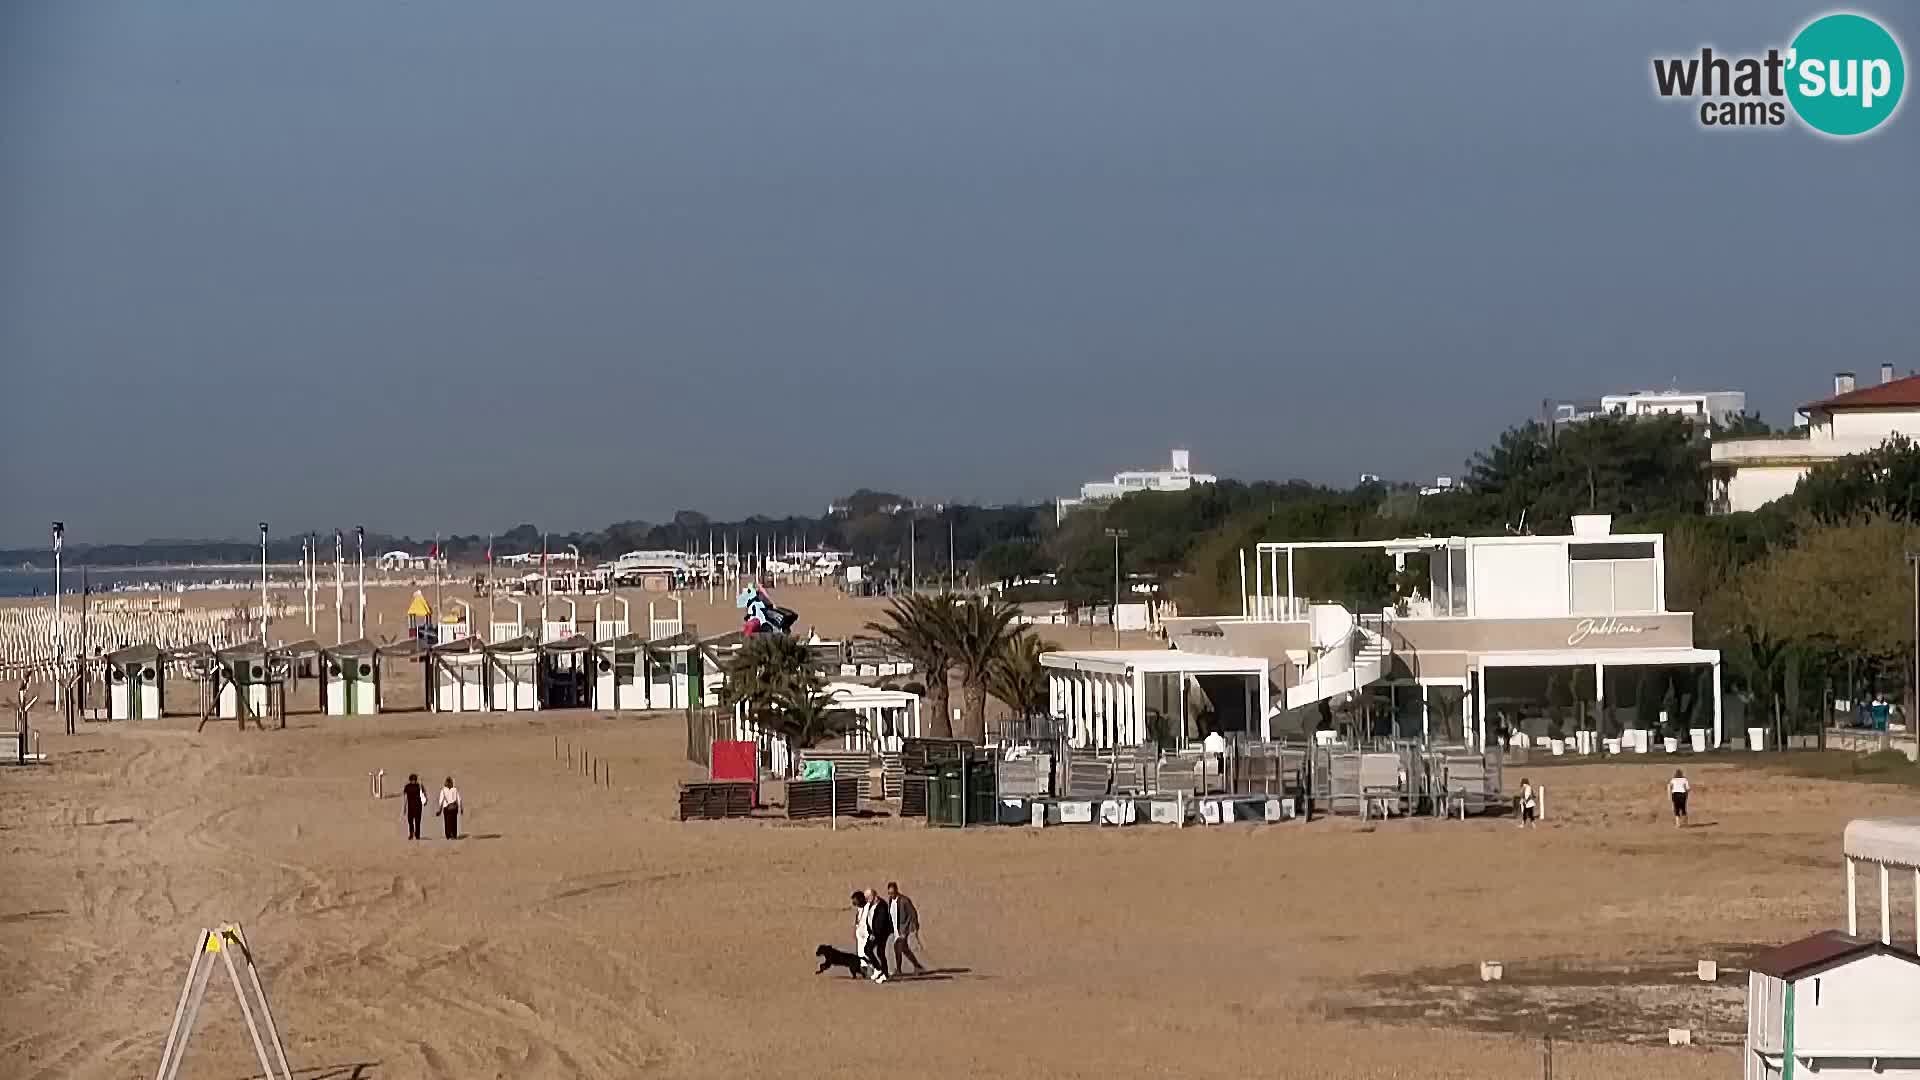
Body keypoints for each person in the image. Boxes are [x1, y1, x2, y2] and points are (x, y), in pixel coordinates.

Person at [887, 881, 928, 976]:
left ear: (897, 890)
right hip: (896, 929)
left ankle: (902, 969)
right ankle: (917, 967)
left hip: (903, 928)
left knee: (899, 946)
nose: (891, 895)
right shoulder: (890, 901)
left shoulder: (904, 900)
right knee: (902, 948)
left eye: (893, 892)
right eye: (889, 893)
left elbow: (912, 913)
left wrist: (913, 927)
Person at [402, 773, 426, 840]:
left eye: (414, 780)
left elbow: (423, 794)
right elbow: (406, 797)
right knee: (412, 821)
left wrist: (404, 807)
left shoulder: (411, 786)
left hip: (416, 807)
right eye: (413, 780)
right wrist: (404, 807)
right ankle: (413, 834)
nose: (413, 781)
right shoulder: (416, 786)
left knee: (415, 821)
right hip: (414, 807)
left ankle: (415, 835)